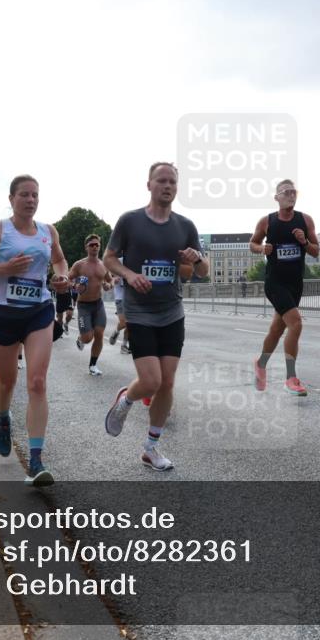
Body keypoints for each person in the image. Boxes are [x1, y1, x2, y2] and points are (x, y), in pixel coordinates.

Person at [0, 174, 70, 487]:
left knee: (37, 381)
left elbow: (60, 260)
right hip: (2, 313)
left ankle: (36, 461)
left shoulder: (49, 232)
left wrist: (61, 277)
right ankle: (4, 416)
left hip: (39, 311)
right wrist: (2, 269)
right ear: (11, 199)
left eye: (35, 195)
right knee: (8, 380)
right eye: (24, 194)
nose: (31, 200)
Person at [103, 162, 208, 472]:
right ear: (148, 185)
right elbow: (110, 258)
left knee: (167, 383)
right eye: (161, 180)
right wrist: (129, 274)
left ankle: (151, 448)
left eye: (172, 181)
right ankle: (126, 399)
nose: (167, 185)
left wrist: (197, 257)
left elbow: (202, 272)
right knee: (151, 381)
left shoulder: (185, 226)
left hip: (172, 311)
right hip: (140, 311)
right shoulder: (130, 221)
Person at [249, 179, 319, 396]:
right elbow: (252, 244)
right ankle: (291, 377)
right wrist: (262, 248)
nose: (290, 195)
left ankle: (260, 364)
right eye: (285, 192)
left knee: (277, 329)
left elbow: (316, 251)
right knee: (296, 323)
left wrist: (304, 242)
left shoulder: (305, 220)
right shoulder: (267, 222)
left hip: (295, 283)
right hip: (275, 282)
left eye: (293, 191)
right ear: (276, 197)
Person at [70, 234, 113, 375]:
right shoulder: (79, 264)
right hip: (84, 306)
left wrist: (108, 285)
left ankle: (93, 366)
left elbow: (110, 280)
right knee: (88, 338)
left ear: (100, 247)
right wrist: (75, 286)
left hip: (98, 304)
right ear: (86, 247)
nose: (95, 247)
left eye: (97, 245)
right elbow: (67, 279)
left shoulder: (103, 265)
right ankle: (80, 339)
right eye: (92, 245)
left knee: (99, 334)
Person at [108, 272, 130, 354]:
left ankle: (124, 346)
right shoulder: (117, 263)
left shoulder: (131, 265)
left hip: (130, 299)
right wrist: (113, 280)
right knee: (124, 323)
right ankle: (116, 332)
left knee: (130, 324)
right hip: (120, 299)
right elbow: (110, 279)